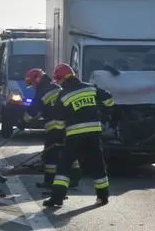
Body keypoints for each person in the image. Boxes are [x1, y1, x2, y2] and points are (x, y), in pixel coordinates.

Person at [43, 63, 115, 207]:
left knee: (64, 167)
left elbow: (58, 122)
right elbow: (109, 100)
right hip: (94, 134)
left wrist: (59, 137)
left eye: (59, 81)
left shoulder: (63, 96)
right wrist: (102, 113)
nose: (60, 84)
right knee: (98, 166)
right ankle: (103, 197)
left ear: (62, 79)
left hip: (74, 137)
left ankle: (57, 198)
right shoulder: (91, 87)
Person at [21, 68, 81, 189]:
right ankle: (74, 179)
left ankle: (49, 181)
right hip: (67, 125)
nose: (32, 86)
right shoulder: (55, 86)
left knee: (50, 155)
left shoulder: (42, 91)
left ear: (37, 79)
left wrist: (22, 122)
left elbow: (33, 110)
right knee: (69, 151)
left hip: (54, 127)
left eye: (32, 83)